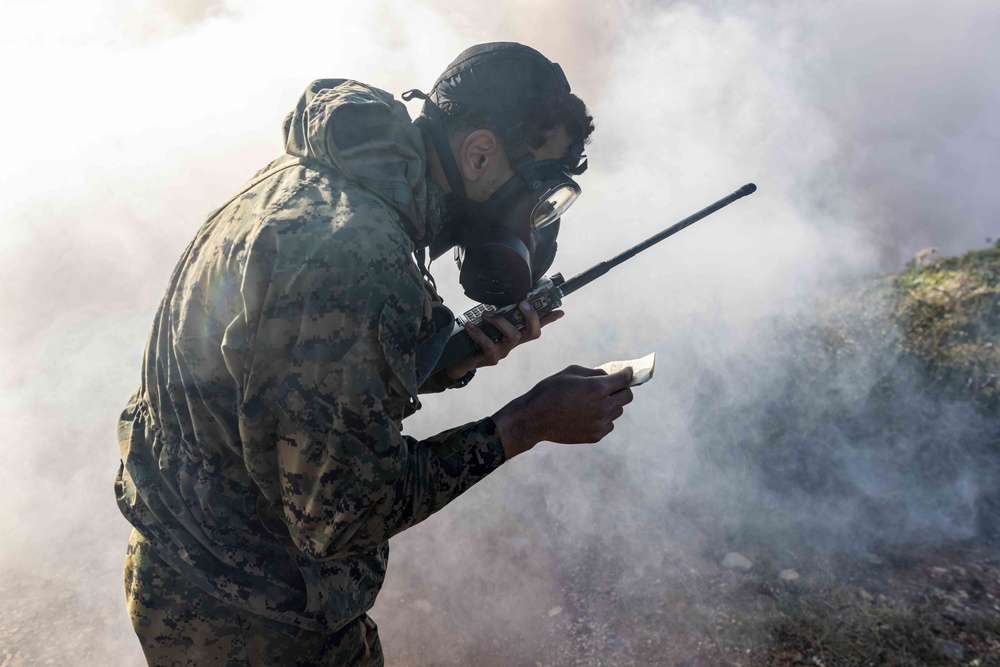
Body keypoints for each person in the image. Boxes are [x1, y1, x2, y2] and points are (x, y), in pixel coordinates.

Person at [115, 42, 634, 666]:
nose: (536, 220)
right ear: (478, 153)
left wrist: (446, 357)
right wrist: (523, 424)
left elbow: (282, 377)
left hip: (188, 568)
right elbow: (340, 517)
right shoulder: (358, 258)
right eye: (539, 192)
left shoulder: (320, 183)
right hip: (251, 617)